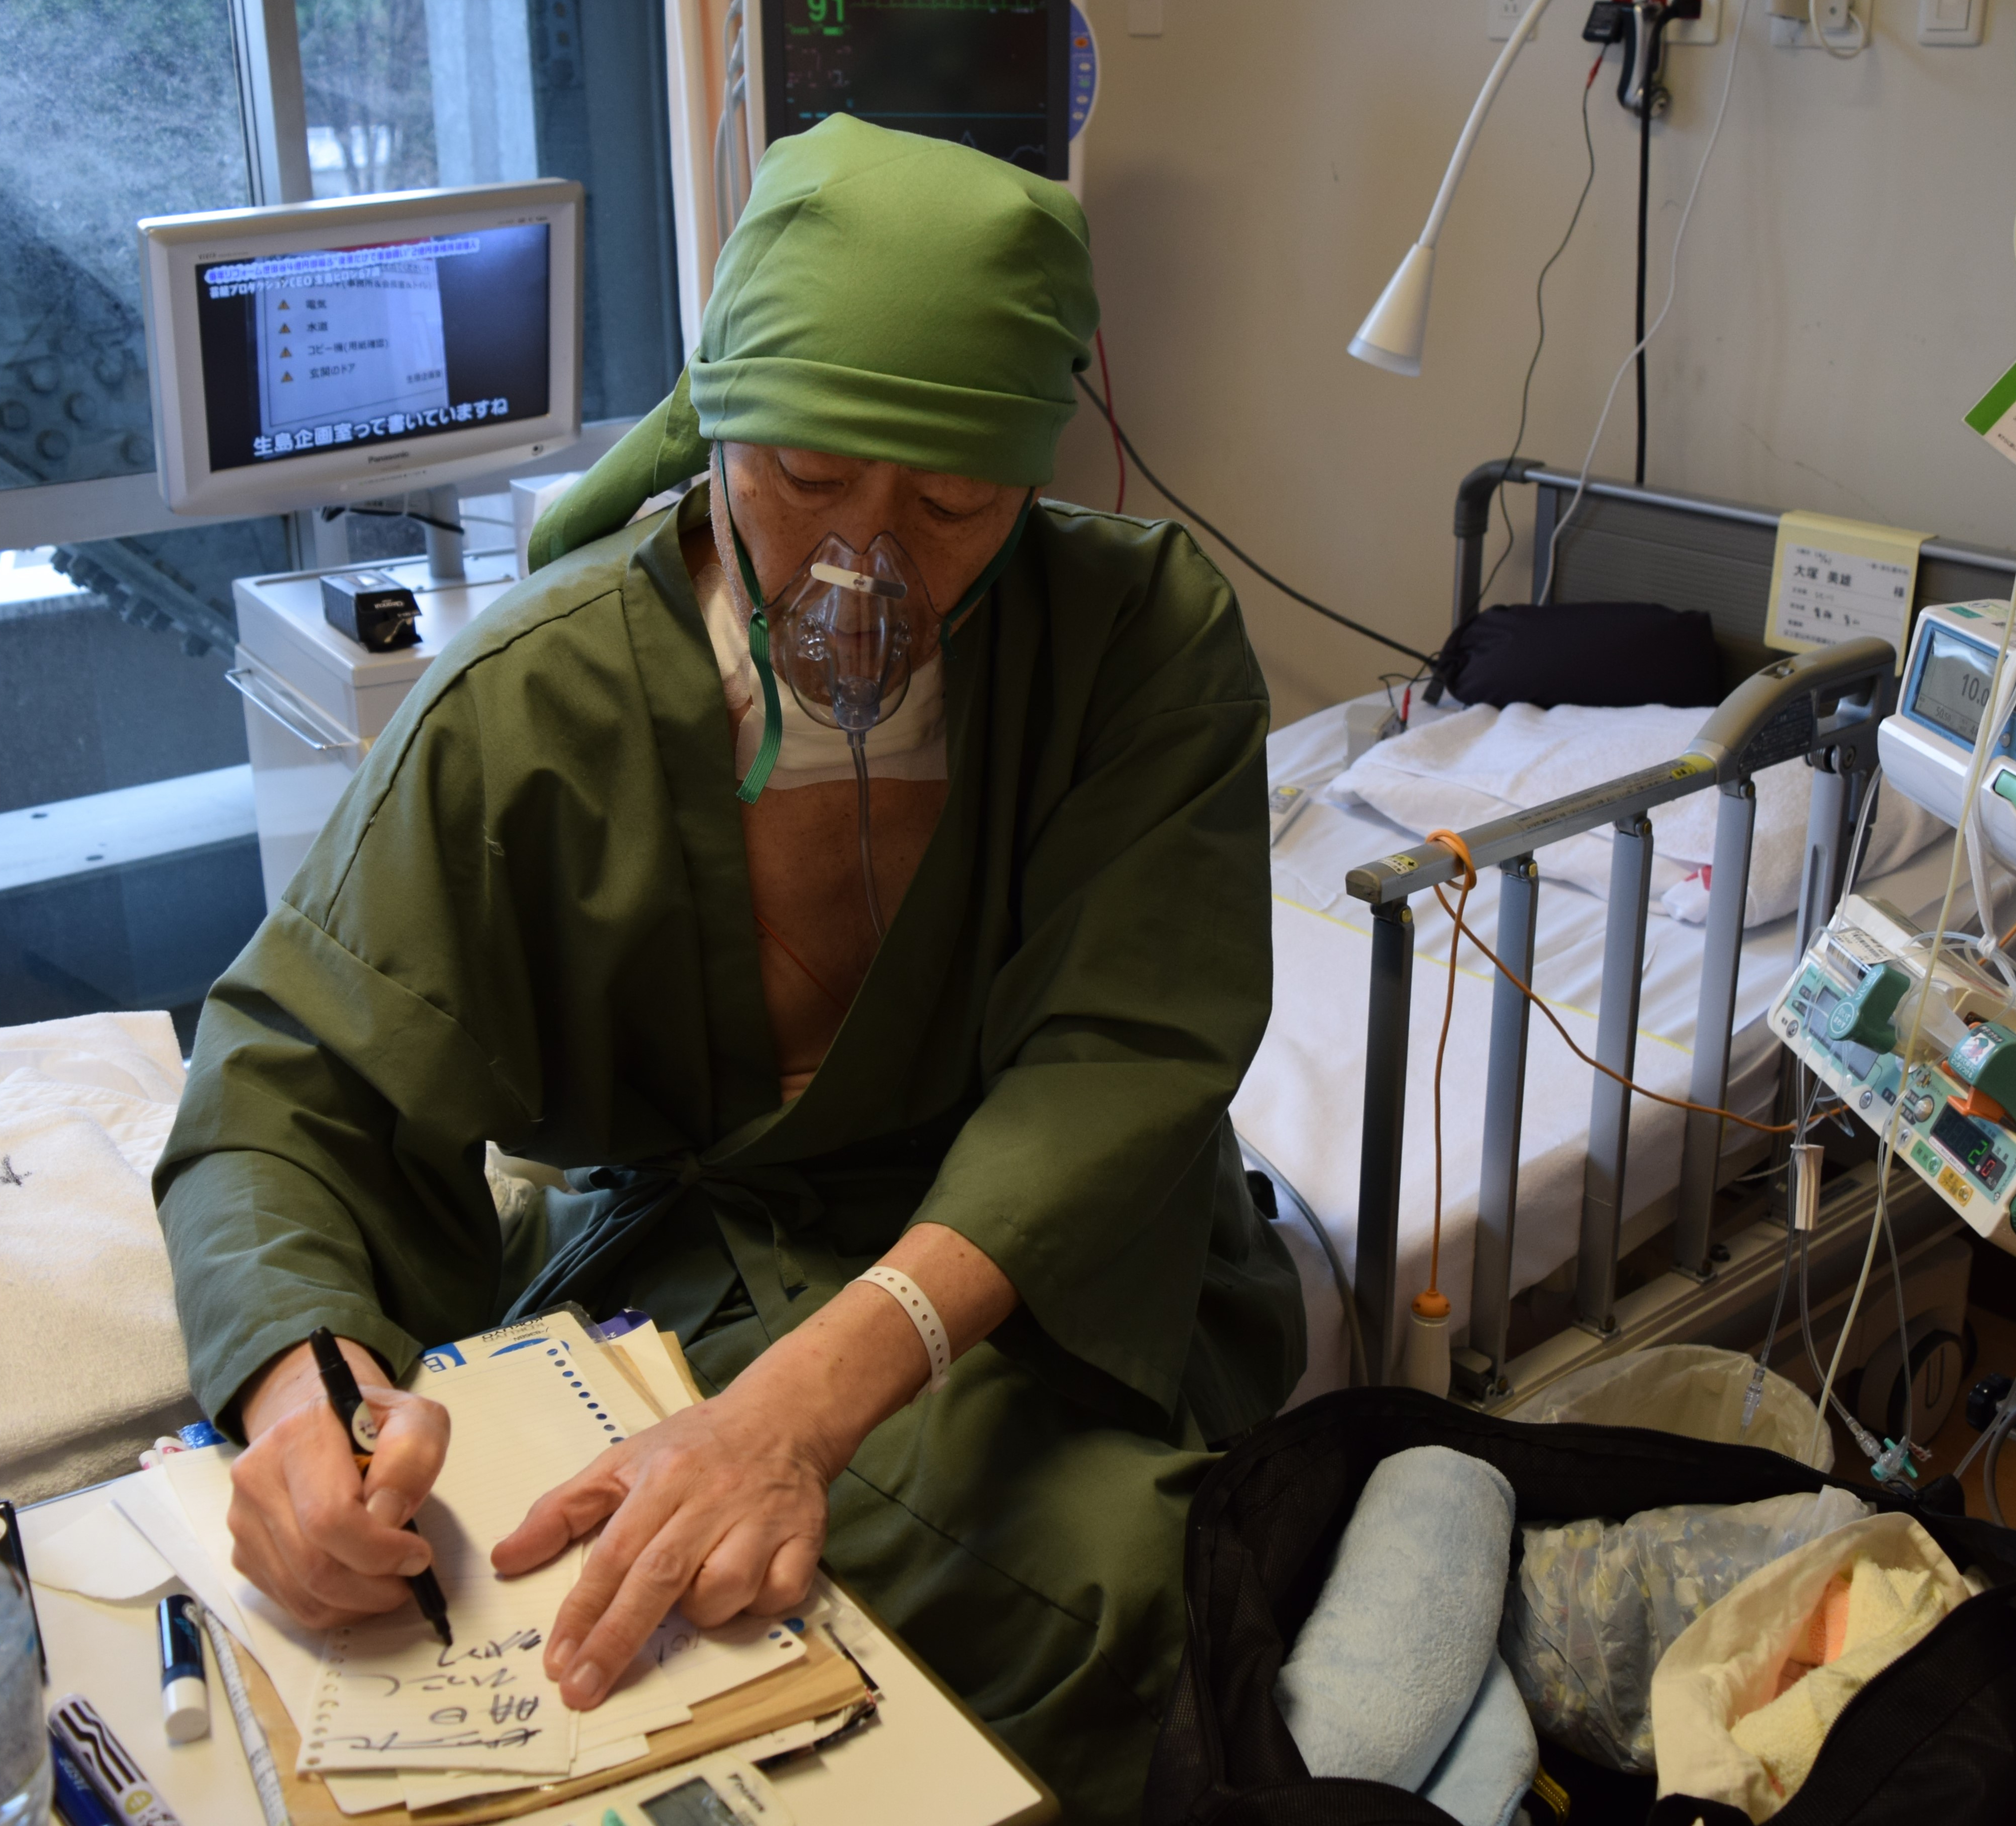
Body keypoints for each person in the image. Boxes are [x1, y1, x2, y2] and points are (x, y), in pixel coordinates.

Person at [154, 116, 1305, 1824]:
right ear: (716, 425)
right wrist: (297, 1392)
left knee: (1120, 1583)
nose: (867, 568)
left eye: (952, 502)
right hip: (705, 1253)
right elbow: (288, 1082)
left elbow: (1122, 1058)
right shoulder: (534, 707)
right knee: (552, 1566)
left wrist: (801, 1409)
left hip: (1053, 1264)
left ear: (1032, 478)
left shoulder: (1139, 645)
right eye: (806, 479)